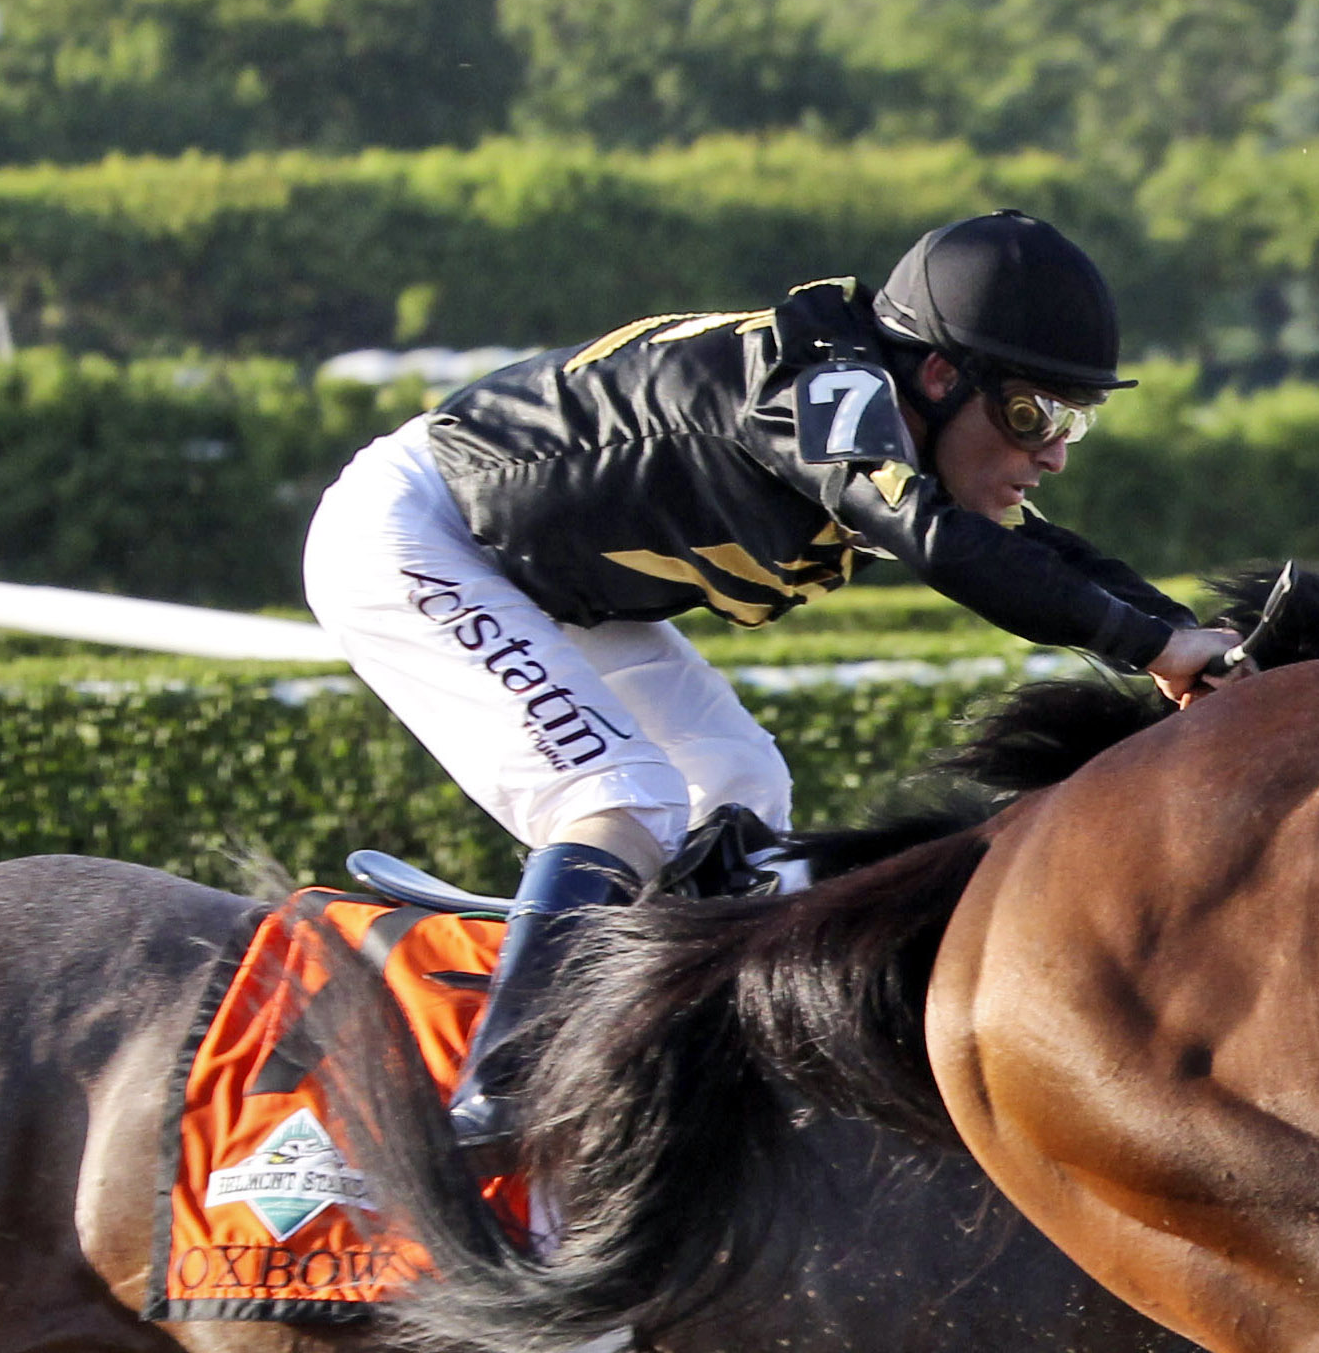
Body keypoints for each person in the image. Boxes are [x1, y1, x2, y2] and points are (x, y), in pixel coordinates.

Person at [302, 210, 1237, 1149]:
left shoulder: (898, 417)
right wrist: (1153, 648)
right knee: (618, 795)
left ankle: (680, 1060)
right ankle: (502, 1100)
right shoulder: (828, 386)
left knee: (739, 788)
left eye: (1076, 421)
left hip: (549, 581)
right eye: (1033, 415)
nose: (1054, 453)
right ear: (942, 374)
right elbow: (947, 548)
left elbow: (1044, 555)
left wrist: (1191, 638)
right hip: (422, 534)